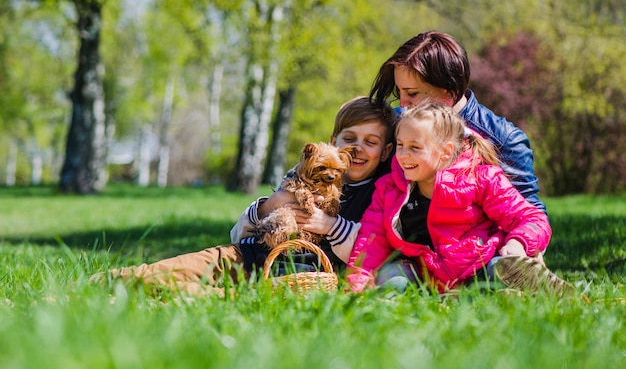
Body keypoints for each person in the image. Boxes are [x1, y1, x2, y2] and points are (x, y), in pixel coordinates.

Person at [95, 96, 396, 296]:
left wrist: (329, 225)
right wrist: (270, 204)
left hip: (293, 279)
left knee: (180, 292)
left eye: (370, 142)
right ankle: (77, 289)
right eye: (349, 138)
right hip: (245, 255)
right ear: (333, 142)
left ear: (385, 151)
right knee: (155, 274)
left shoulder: (380, 193)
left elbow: (369, 255)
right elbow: (238, 231)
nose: (357, 149)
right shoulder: (303, 171)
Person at [346, 101, 573, 295]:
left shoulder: (481, 178)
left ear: (445, 151)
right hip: (427, 277)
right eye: (401, 146)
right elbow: (370, 243)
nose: (403, 156)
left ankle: (531, 290)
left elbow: (531, 217)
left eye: (415, 147)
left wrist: (518, 242)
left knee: (500, 269)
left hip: (479, 267)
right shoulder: (389, 189)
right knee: (390, 277)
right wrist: (355, 288)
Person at [369, 30, 546, 212]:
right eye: (400, 92)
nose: (403, 104)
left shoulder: (505, 140)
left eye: (412, 93)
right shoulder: (392, 123)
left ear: (449, 91)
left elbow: (530, 217)